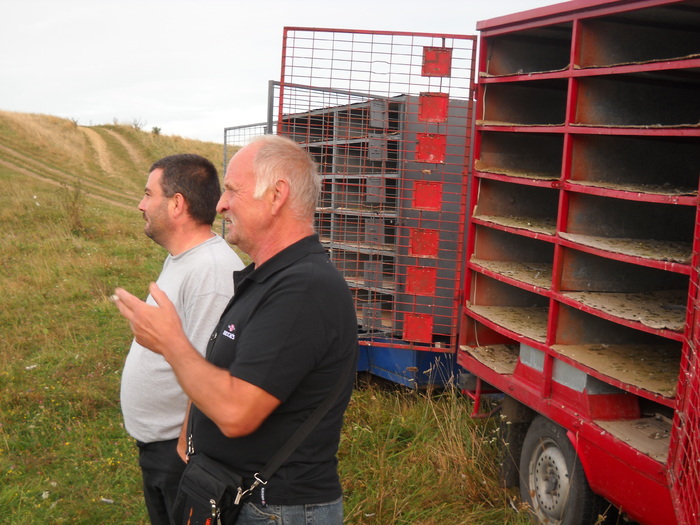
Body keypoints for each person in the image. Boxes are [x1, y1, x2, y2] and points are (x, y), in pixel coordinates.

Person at [113, 135, 358, 524]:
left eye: (231, 191)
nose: (220, 204)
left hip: (278, 509)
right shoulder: (268, 278)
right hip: (246, 498)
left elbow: (235, 411)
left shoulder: (304, 288)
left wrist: (170, 341)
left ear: (276, 196)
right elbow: (228, 372)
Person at [120, 153, 244, 525]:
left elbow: (213, 365)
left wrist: (187, 443)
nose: (141, 204)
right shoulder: (184, 259)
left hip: (181, 454)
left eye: (148, 193)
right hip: (162, 450)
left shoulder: (210, 271)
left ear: (176, 204)